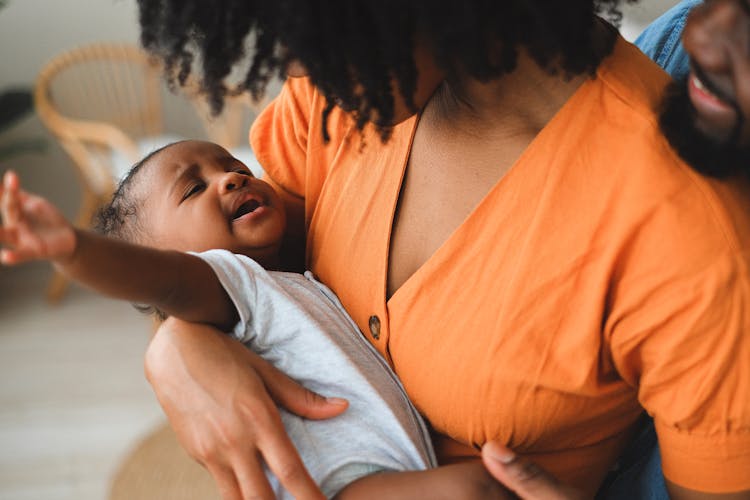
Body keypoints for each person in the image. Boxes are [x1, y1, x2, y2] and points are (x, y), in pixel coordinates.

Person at [136, 1, 750, 499]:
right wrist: (179, 344)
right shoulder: (347, 89)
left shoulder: (686, 237)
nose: (294, 67)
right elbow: (246, 273)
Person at [1, 139, 532, 499]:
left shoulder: (293, 278)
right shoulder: (234, 285)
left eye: (236, 167)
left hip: (379, 472)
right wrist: (71, 250)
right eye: (193, 188)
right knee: (480, 489)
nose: (229, 179)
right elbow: (163, 280)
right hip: (341, 485)